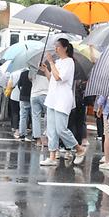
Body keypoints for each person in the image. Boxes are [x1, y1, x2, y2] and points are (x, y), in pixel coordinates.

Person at [39, 39, 87, 167]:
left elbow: (59, 77)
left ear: (65, 48)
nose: (55, 49)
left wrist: (50, 62)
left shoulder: (69, 62)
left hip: (62, 100)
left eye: (58, 47)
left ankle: (79, 149)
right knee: (52, 130)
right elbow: (52, 79)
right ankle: (52, 156)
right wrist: (46, 70)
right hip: (53, 99)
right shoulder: (58, 62)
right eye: (55, 46)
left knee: (61, 129)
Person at [30, 68, 49, 147]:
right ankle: (46, 138)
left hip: (34, 94)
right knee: (48, 116)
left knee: (35, 117)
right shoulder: (49, 66)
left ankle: (38, 140)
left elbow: (30, 78)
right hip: (46, 93)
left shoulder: (33, 66)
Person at [16, 68, 33, 141]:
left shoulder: (23, 73)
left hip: (23, 96)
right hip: (32, 96)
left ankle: (22, 133)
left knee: (23, 116)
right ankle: (35, 135)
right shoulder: (36, 74)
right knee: (34, 117)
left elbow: (19, 85)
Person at [8, 69, 22, 137]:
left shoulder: (13, 73)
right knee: (21, 113)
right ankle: (20, 127)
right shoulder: (25, 72)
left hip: (13, 95)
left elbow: (10, 85)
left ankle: (14, 127)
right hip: (22, 95)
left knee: (14, 112)